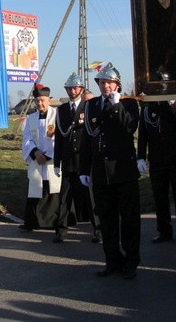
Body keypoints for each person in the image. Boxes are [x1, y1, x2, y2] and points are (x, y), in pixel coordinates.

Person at [79, 63, 141, 279]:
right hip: (101, 172)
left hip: (124, 171)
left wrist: (116, 106)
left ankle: (131, 261)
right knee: (107, 219)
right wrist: (84, 168)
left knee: (129, 218)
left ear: (117, 84)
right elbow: (87, 137)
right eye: (102, 82)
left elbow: (130, 128)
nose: (106, 86)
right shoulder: (91, 105)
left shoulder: (129, 103)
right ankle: (112, 260)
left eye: (109, 82)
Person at [53, 72, 100, 244]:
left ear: (81, 89)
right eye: (69, 88)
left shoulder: (89, 107)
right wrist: (57, 162)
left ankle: (98, 230)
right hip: (68, 160)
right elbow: (59, 136)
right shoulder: (62, 110)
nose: (72, 90)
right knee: (65, 197)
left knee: (91, 197)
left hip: (84, 160)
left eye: (75, 87)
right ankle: (61, 231)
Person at [137, 96, 176, 245]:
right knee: (159, 195)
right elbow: (143, 132)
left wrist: (173, 104)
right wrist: (140, 156)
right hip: (156, 158)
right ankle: (164, 230)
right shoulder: (149, 104)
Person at [20, 83, 61, 231]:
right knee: (35, 189)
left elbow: (59, 138)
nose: (40, 103)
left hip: (51, 161)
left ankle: (53, 222)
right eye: (37, 101)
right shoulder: (30, 118)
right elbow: (26, 139)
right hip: (36, 159)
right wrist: (35, 152)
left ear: (49, 100)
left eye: (43, 100)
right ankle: (32, 222)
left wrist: (48, 155)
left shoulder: (57, 116)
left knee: (52, 190)